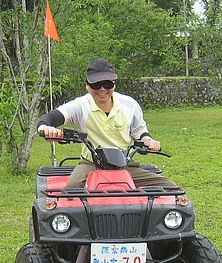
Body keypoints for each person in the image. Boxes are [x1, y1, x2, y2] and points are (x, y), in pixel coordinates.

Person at [37, 58, 177, 190]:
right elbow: (53, 117)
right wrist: (45, 128)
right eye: (96, 84)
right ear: (87, 86)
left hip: (124, 164)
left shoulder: (129, 105)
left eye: (107, 84)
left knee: (170, 188)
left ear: (114, 84)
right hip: (91, 164)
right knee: (71, 193)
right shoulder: (80, 106)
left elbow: (140, 133)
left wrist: (149, 141)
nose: (102, 89)